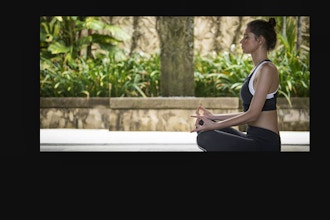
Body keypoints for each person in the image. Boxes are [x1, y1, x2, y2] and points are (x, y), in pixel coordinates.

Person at [191, 17, 281, 152]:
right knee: (204, 125)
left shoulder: (267, 69)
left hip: (264, 143)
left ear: (260, 40)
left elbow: (253, 115)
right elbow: (247, 113)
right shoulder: (257, 69)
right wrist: (212, 117)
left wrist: (213, 126)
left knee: (206, 137)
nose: (241, 41)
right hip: (251, 136)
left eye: (246, 37)